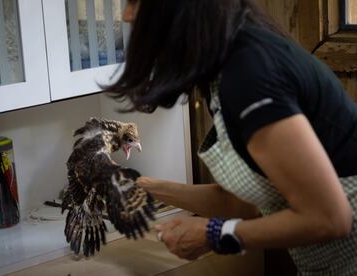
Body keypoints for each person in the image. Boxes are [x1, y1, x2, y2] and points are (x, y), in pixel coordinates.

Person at [105, 0, 357, 275]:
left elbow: (329, 218)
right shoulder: (225, 66)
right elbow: (247, 203)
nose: (127, 15)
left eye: (134, 2)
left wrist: (214, 234)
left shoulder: (249, 74)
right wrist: (141, 186)